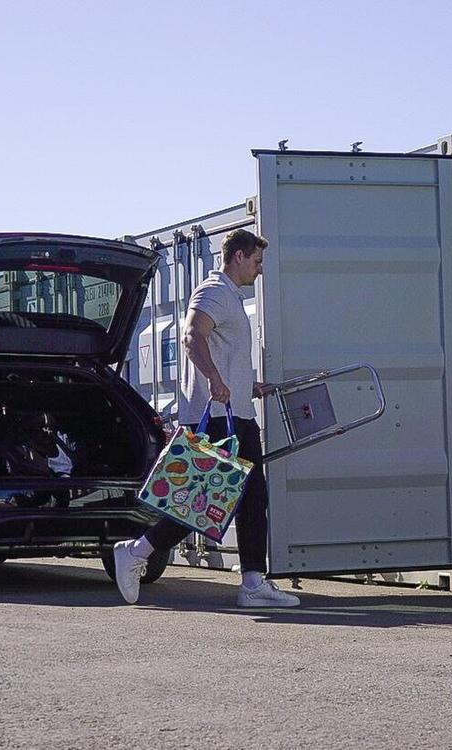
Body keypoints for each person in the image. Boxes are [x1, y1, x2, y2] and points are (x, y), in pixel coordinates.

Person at [112, 229, 300, 608]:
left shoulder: (230, 296)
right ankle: (135, 552)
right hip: (216, 418)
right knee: (202, 503)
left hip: (237, 415)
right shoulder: (213, 291)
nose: (260, 269)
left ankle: (252, 582)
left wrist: (246, 384)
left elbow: (220, 352)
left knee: (251, 500)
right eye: (257, 261)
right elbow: (191, 336)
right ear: (239, 257)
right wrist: (214, 378)